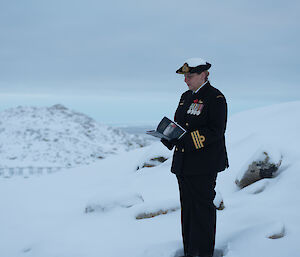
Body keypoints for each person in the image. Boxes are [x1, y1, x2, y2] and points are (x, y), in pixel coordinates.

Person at [161, 58, 229, 257]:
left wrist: (187, 140)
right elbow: (179, 125)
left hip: (203, 164)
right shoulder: (185, 97)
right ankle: (190, 251)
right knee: (188, 210)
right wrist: (168, 137)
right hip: (184, 164)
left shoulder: (215, 98)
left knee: (202, 211)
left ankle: (203, 253)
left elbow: (216, 131)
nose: (186, 80)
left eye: (189, 76)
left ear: (203, 75)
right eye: (185, 76)